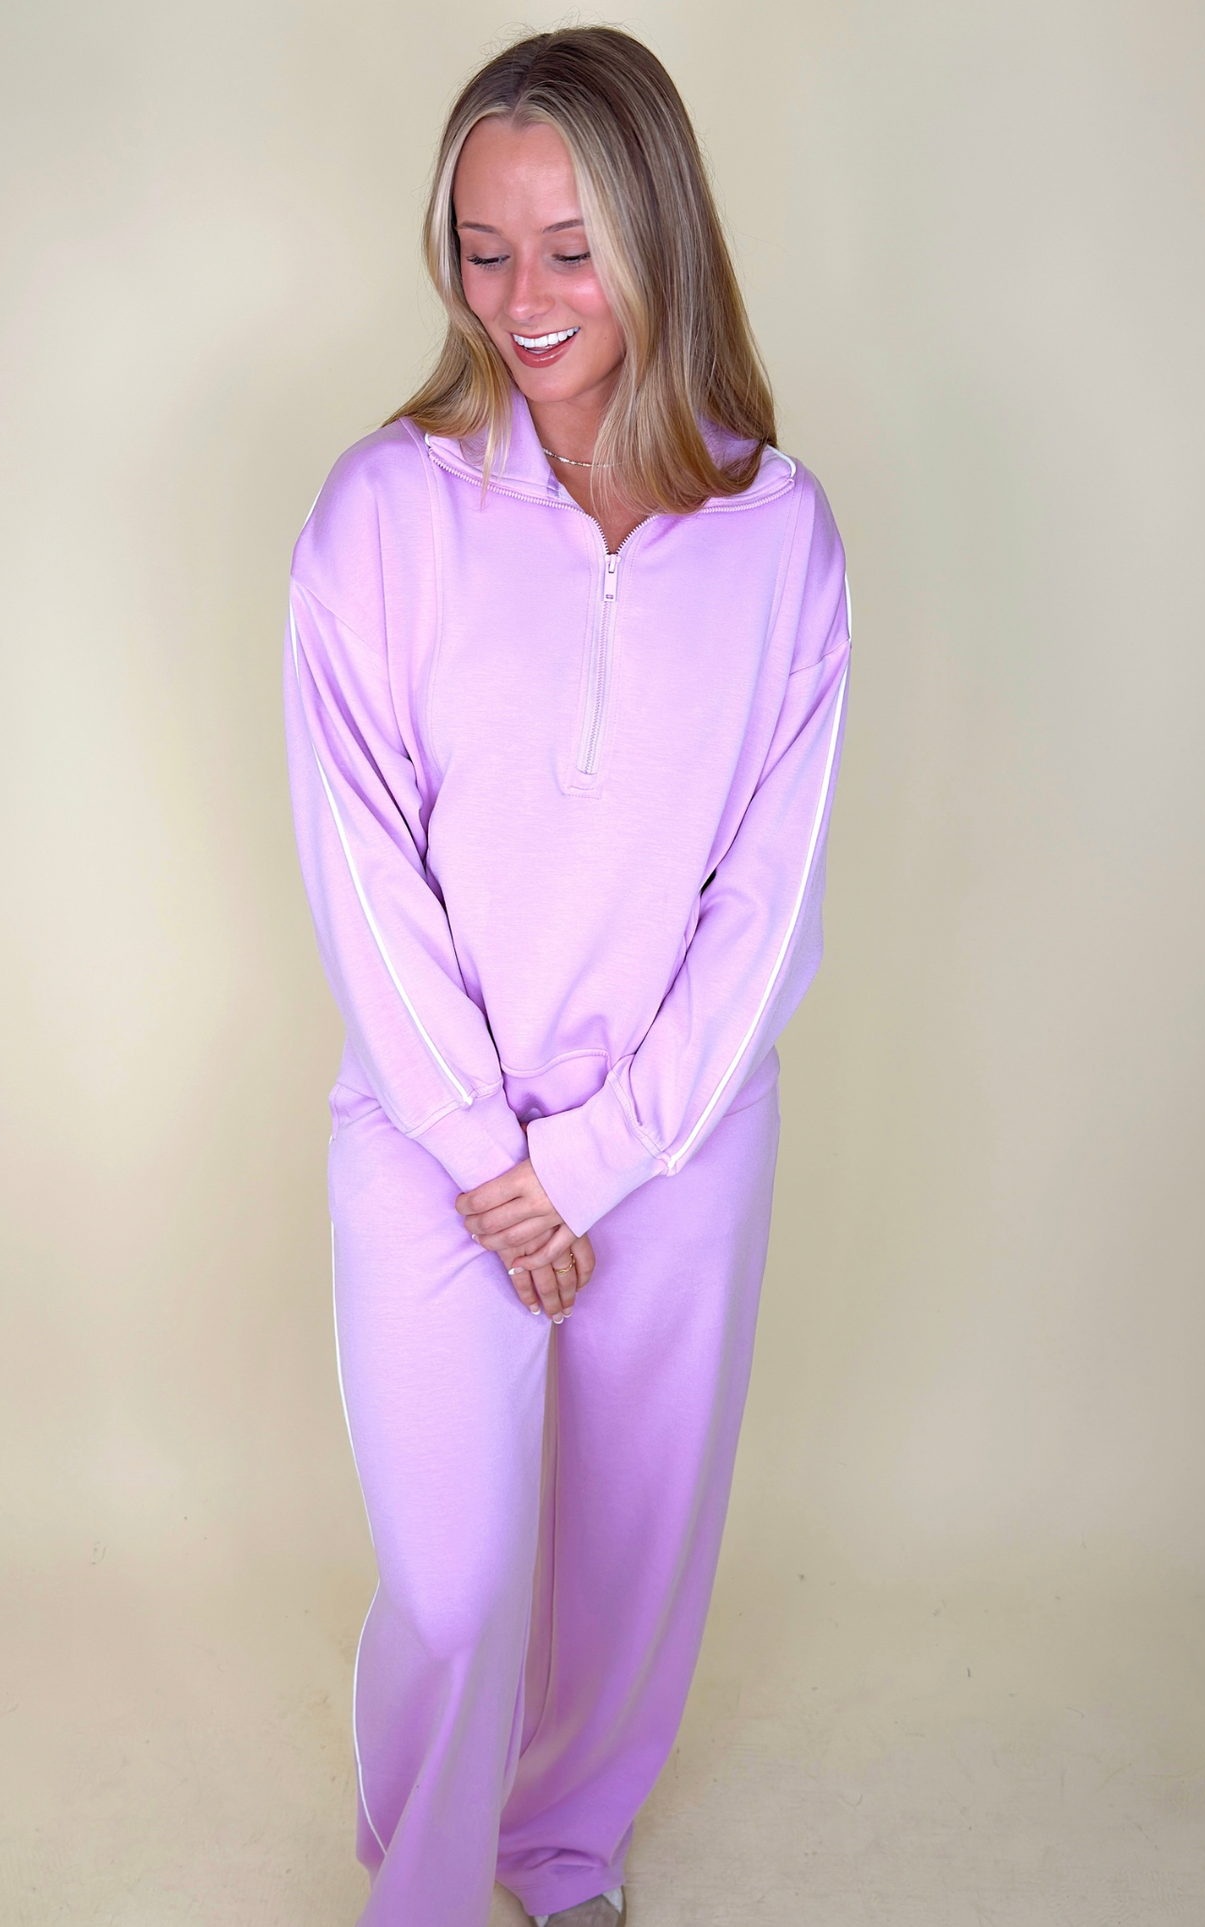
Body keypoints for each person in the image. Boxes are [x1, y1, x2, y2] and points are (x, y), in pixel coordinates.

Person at [283, 27, 851, 1927]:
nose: (521, 297)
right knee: (454, 1581)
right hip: (432, 1146)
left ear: (659, 236)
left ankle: (565, 1842)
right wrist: (483, 1151)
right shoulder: (385, 513)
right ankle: (428, 1875)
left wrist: (597, 1161)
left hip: (674, 1152)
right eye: (481, 246)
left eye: (570, 246)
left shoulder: (780, 537)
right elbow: (360, 857)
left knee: (630, 1557)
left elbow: (768, 900)